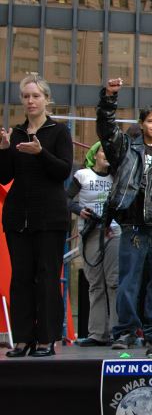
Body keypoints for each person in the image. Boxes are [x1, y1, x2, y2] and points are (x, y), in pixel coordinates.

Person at [97, 78, 152, 349]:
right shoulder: (126, 149)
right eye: (151, 121)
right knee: (128, 282)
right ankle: (126, 331)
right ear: (142, 123)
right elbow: (106, 131)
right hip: (132, 226)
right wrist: (109, 98)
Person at [1, 74, 73, 357]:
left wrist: (41, 152)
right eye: (26, 96)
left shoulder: (59, 132)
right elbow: (5, 175)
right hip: (18, 216)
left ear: (46, 99)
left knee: (46, 277)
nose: (30, 101)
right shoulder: (17, 133)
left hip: (50, 217)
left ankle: (46, 339)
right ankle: (22, 339)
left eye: (35, 96)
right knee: (20, 278)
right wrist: (4, 151)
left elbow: (62, 171)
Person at [67, 142, 122, 346]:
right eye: (103, 151)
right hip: (90, 233)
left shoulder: (117, 177)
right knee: (95, 284)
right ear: (94, 155)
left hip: (113, 232)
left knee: (114, 282)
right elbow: (66, 199)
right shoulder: (82, 175)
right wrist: (79, 210)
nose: (107, 155)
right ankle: (97, 333)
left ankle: (117, 332)